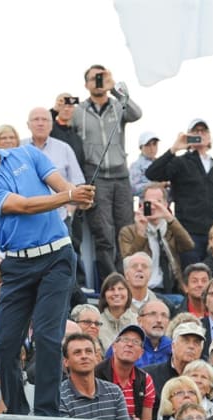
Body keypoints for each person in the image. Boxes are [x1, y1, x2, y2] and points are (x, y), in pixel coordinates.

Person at [0, 115, 95, 417]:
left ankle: (47, 414)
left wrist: (77, 195)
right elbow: (23, 205)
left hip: (57, 257)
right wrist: (68, 196)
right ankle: (18, 413)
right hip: (18, 265)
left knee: (47, 337)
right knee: (6, 345)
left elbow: (57, 182)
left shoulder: (26, 152)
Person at [73, 65, 142, 279]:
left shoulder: (117, 105)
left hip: (120, 175)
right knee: (104, 234)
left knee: (125, 231)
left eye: (103, 77)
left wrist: (115, 90)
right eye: (95, 78)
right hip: (96, 176)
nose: (99, 81)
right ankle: (111, 282)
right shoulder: (78, 111)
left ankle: (128, 280)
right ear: (86, 84)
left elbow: (136, 113)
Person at [145, 118, 213, 267]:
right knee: (193, 277)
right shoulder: (181, 162)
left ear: (209, 137)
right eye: (195, 131)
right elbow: (152, 173)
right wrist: (174, 149)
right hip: (189, 234)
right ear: (189, 136)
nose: (200, 134)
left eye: (203, 131)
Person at [118, 183, 193, 298]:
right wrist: (141, 233)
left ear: (165, 204)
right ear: (141, 204)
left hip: (172, 290)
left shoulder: (171, 229)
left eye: (158, 202)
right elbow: (128, 262)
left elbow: (188, 245)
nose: (153, 207)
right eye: (149, 202)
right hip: (143, 290)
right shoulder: (128, 232)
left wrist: (170, 218)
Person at [59, 332, 130, 420]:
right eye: (77, 353)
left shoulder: (115, 392)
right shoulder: (59, 397)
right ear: (66, 362)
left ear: (96, 357)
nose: (84, 356)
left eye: (88, 351)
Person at [94, 324, 156, 420]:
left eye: (136, 342)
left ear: (141, 353)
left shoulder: (145, 380)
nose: (130, 344)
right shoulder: (95, 374)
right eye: (125, 340)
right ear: (114, 347)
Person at [97, 273, 137, 351]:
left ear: (128, 293)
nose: (116, 293)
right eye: (111, 289)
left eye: (121, 289)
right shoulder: (96, 323)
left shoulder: (138, 320)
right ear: (104, 295)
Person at [129, 131, 159, 196]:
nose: (152, 148)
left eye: (154, 144)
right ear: (141, 147)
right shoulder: (135, 166)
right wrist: (156, 185)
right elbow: (133, 189)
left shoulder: (163, 163)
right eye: (147, 145)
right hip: (146, 203)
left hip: (164, 203)